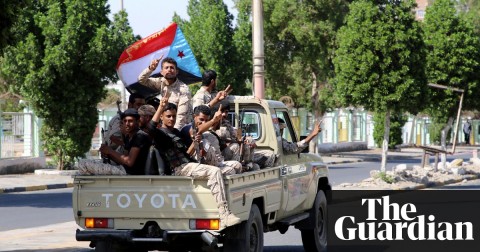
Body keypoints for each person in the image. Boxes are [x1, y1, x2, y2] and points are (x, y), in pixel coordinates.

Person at [148, 99, 240, 228]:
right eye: (168, 116)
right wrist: (160, 107)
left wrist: (195, 143)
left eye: (174, 116)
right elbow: (150, 127)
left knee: (232, 169)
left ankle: (219, 200)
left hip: (189, 164)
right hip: (180, 169)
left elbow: (186, 153)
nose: (172, 119)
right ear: (162, 117)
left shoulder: (175, 132)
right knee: (214, 171)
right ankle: (224, 215)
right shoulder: (161, 134)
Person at [78, 109, 151, 175]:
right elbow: (123, 161)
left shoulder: (140, 136)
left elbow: (129, 162)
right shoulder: (130, 137)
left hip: (128, 172)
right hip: (124, 169)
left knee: (82, 164)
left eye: (130, 121)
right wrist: (108, 154)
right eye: (125, 121)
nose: (127, 124)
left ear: (137, 122)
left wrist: (110, 151)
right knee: (86, 163)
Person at [138, 57, 192, 130]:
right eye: (166, 68)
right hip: (166, 125)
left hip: (182, 127)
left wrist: (173, 133)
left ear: (177, 72)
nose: (169, 70)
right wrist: (150, 68)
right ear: (161, 72)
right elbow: (141, 80)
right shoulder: (161, 82)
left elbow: (181, 116)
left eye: (172, 68)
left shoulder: (183, 89)